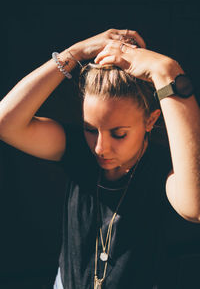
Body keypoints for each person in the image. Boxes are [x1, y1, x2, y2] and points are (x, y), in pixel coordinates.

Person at [0, 28, 200, 289]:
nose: (99, 148)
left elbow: (195, 207)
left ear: (150, 120)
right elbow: (6, 123)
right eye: (90, 129)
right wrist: (76, 53)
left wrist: (166, 72)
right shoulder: (75, 149)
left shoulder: (164, 169)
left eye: (119, 134)